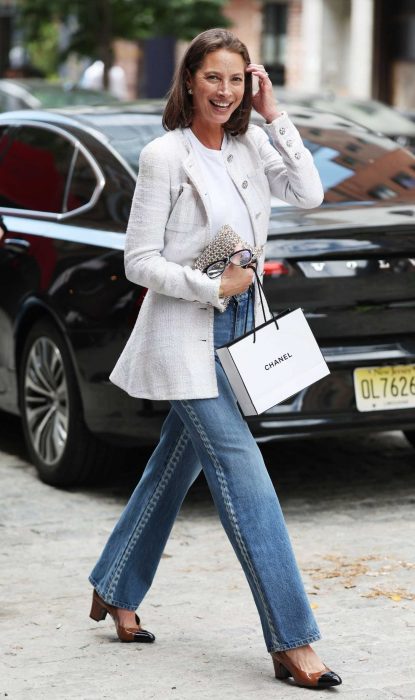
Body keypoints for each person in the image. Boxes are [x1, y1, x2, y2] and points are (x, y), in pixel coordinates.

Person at [88, 28, 342, 690]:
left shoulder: (249, 142)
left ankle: (114, 583)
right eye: (213, 78)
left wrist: (275, 113)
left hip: (241, 329)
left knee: (177, 464)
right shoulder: (163, 156)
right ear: (189, 81)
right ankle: (292, 640)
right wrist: (210, 286)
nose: (225, 92)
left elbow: (309, 193)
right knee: (244, 475)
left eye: (237, 80)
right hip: (183, 331)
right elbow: (138, 261)